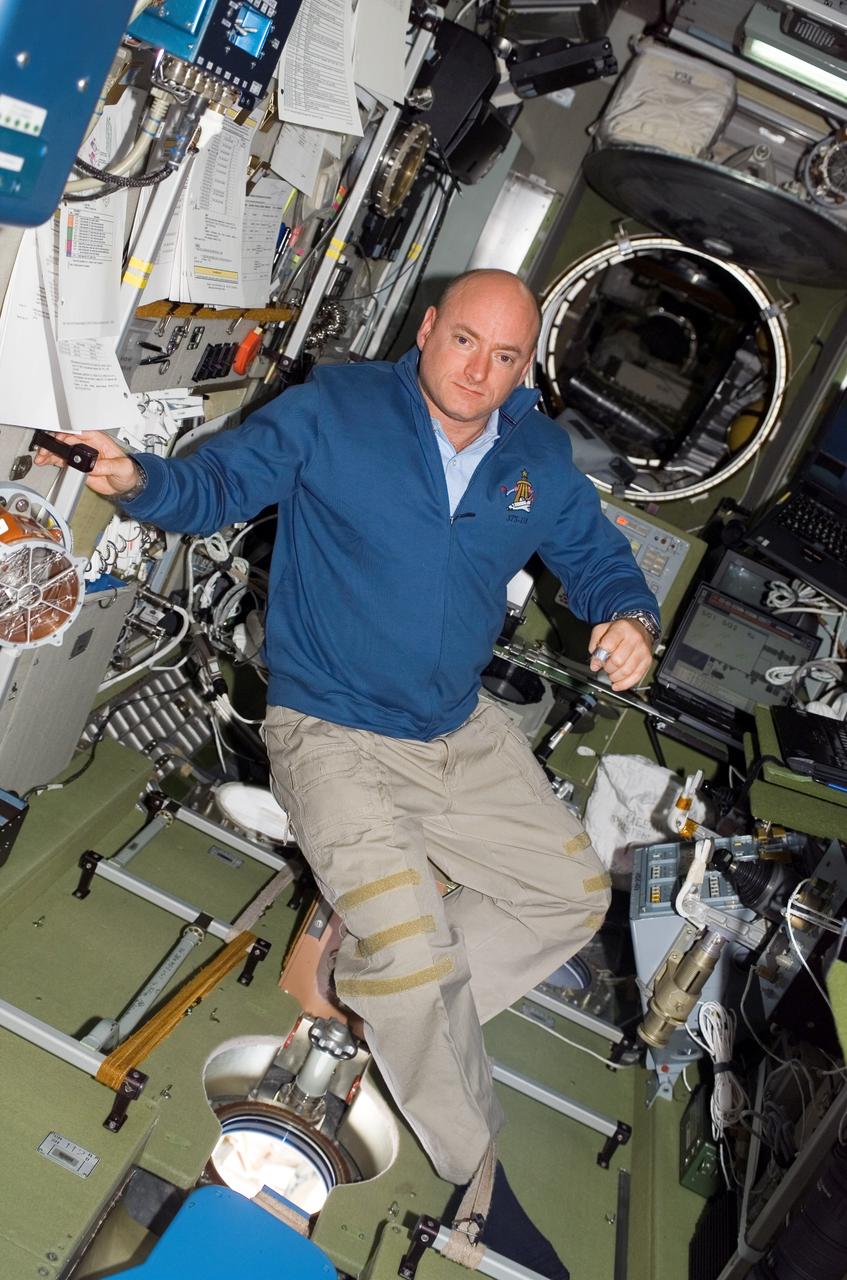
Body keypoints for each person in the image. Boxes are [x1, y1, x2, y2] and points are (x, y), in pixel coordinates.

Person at [37, 269, 659, 1279]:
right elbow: (216, 486)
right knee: (411, 956)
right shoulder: (337, 408)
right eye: (465, 342)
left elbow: (596, 559)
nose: (479, 371)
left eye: (505, 357)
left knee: (569, 894)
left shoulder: (536, 456)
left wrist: (629, 617)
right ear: (427, 329)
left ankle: (390, 995)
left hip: (454, 730)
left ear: (524, 368)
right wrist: (136, 479)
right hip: (328, 730)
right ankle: (476, 1180)